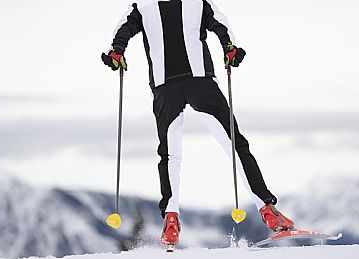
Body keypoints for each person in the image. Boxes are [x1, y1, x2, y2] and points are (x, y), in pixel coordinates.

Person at [102, 0, 294, 246]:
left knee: (170, 155)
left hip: (164, 86)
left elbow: (123, 30)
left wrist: (117, 52)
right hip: (199, 80)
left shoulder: (143, 5)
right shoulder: (197, 1)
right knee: (235, 144)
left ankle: (171, 219)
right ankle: (268, 211)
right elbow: (220, 23)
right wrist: (229, 48)